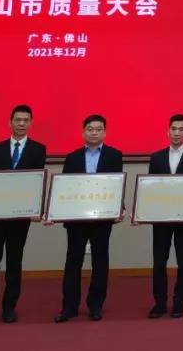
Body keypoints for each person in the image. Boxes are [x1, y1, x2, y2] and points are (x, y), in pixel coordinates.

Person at [0, 104, 47, 325]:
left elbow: (37, 183)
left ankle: (9, 307)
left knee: (14, 262)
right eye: (17, 120)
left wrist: (36, 209)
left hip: (20, 218)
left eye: (26, 120)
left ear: (31, 123)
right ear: (10, 122)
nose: (21, 123)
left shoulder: (38, 150)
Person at [55, 114, 124, 323]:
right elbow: (64, 189)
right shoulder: (72, 158)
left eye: (98, 129)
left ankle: (95, 305)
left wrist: (119, 208)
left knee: (100, 261)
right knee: (73, 261)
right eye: (90, 129)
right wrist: (56, 212)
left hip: (102, 218)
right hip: (76, 219)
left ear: (105, 132)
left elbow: (116, 185)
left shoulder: (114, 155)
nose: (94, 132)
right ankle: (69, 307)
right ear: (83, 132)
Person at [147, 113, 183, 319]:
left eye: (181, 129)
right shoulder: (156, 157)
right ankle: (159, 303)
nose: (177, 133)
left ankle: (179, 302)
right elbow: (150, 188)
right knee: (159, 260)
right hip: (161, 218)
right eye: (173, 129)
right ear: (168, 131)